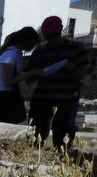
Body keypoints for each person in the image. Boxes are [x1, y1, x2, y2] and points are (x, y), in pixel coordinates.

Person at [26, 16, 90, 151]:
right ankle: (32, 155)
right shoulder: (40, 51)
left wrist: (71, 67)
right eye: (49, 36)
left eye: (54, 36)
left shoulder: (76, 49)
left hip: (66, 98)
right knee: (36, 132)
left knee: (63, 135)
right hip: (42, 98)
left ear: (61, 30)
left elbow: (81, 75)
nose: (52, 39)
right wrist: (40, 71)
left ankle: (61, 156)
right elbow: (28, 77)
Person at [0, 27, 41, 124]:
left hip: (6, 97)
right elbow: (8, 80)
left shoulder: (16, 54)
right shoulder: (10, 54)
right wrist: (31, 74)